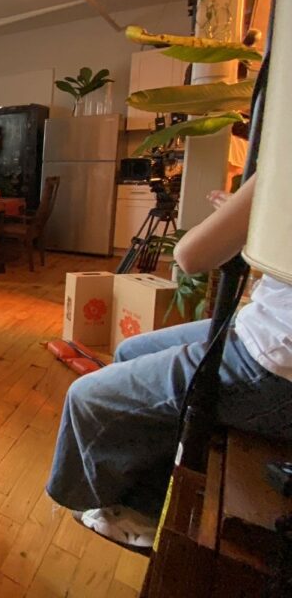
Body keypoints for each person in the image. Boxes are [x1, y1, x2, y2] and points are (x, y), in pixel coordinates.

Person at [45, 175, 292, 551]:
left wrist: (252, 203)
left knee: (87, 397)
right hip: (258, 329)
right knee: (129, 351)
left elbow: (190, 256)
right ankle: (145, 501)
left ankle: (88, 497)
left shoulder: (285, 159)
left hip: (273, 362)